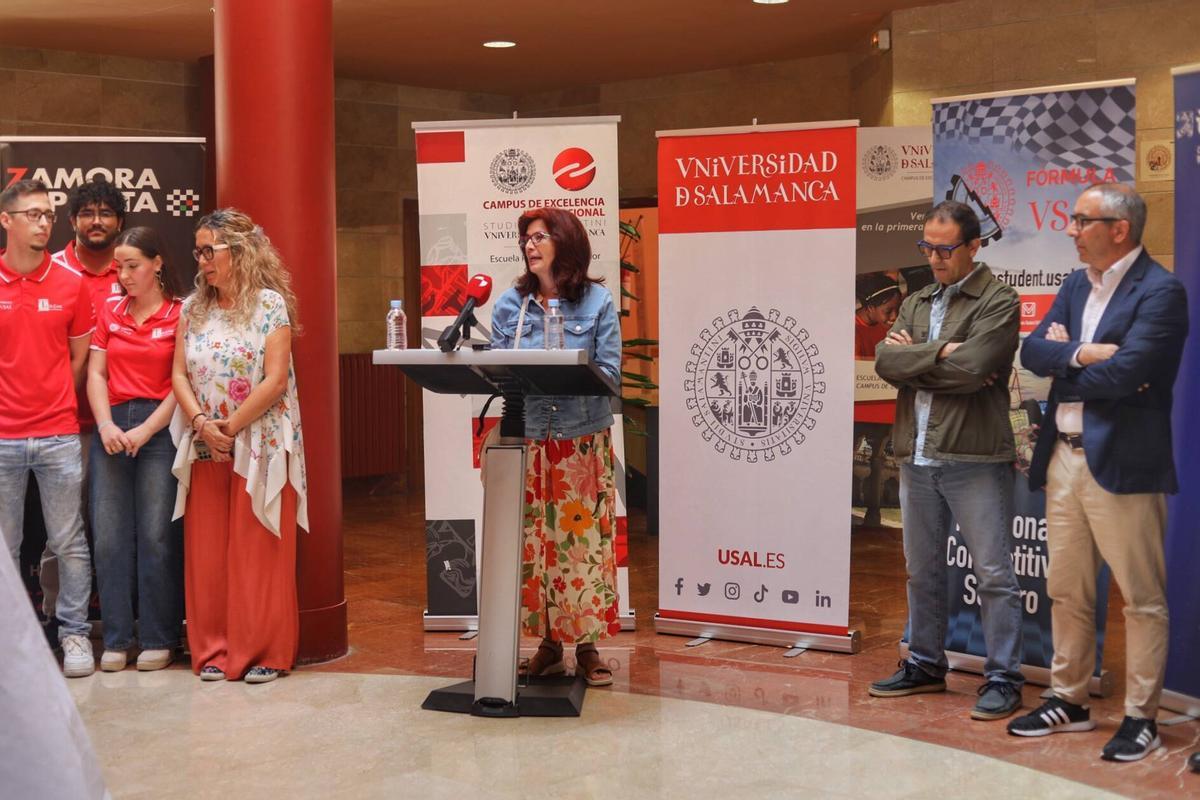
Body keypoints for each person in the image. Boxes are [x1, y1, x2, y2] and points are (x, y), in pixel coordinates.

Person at [1009, 184, 1188, 762]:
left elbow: (1131, 373)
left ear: (1119, 228)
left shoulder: (1162, 292)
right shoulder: (1073, 284)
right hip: (1062, 457)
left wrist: (1068, 364)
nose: (1071, 230)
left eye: (1082, 220)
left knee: (1141, 598)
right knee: (1067, 589)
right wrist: (1085, 354)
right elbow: (1032, 354)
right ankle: (1070, 698)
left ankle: (1141, 717)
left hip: (1124, 463)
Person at [870, 200, 1026, 720]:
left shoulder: (999, 301)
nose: (934, 258)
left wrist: (919, 358)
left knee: (994, 573)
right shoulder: (916, 301)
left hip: (973, 456)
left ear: (974, 245)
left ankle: (1003, 676)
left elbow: (976, 367)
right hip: (916, 454)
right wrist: (939, 353)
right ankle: (925, 664)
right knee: (922, 570)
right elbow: (886, 362)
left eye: (944, 249)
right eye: (927, 248)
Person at [171, 208, 309, 684]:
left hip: (259, 444)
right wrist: (201, 423)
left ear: (241, 251)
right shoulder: (193, 308)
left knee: (257, 551)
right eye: (199, 251)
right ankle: (212, 648)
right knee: (208, 553)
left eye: (211, 250)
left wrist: (228, 428)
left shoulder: (270, 305)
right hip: (205, 441)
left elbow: (274, 381)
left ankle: (264, 650)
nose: (203, 260)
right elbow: (178, 374)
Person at [489, 207, 622, 686]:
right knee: (537, 548)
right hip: (530, 440)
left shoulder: (599, 301)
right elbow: (499, 371)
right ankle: (548, 644)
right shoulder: (510, 303)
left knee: (579, 547)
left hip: (580, 442)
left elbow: (610, 374)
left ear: (565, 242)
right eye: (526, 237)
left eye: (540, 236)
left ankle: (588, 647)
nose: (530, 244)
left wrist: (565, 368)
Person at [0, 179, 96, 677]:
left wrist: (52, 399)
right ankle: (10, 646)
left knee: (68, 541)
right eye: (32, 214)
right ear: (6, 220)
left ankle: (74, 635)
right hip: (3, 438)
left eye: (47, 215)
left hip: (59, 434)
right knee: (5, 547)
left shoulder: (69, 284)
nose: (43, 222)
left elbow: (78, 358)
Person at [87, 227, 185, 672]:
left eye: (133, 265)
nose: (123, 275)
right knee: (108, 537)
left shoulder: (181, 313)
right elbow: (96, 374)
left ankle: (158, 637)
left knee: (156, 536)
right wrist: (105, 423)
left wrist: (146, 430)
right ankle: (117, 637)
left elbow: (180, 382)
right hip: (111, 425)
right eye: (119, 267)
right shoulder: (109, 310)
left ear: (157, 263)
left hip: (160, 430)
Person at [36, 177, 126, 622]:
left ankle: (116, 616)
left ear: (119, 221)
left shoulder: (133, 270)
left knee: (116, 531)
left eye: (105, 213)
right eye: (87, 213)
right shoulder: (50, 270)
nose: (96, 221)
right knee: (62, 531)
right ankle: (56, 619)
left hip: (126, 424)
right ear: (71, 221)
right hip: (65, 424)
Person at [854, 272, 902, 359]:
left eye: (898, 309)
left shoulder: (890, 325)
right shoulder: (853, 332)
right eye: (888, 311)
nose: (895, 316)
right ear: (870, 308)